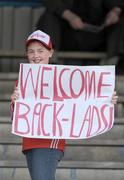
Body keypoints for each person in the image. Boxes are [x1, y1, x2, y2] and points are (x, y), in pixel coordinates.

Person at [10, 29, 118, 180]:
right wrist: (15, 103)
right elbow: (16, 119)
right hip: (29, 144)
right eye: (31, 51)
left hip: (49, 143)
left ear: (51, 53)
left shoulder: (62, 78)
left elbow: (83, 98)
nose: (35, 56)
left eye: (40, 51)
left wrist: (105, 99)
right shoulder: (22, 81)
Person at [36, 0, 124, 68]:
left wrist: (115, 11)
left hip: (98, 35)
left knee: (120, 20)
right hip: (66, 35)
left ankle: (115, 65)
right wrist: (69, 16)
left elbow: (116, 3)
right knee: (48, 17)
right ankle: (49, 63)